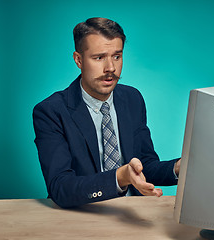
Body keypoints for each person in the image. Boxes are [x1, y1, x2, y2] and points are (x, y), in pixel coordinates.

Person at [33, 17, 181, 208]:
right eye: (99, 57)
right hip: (81, 216)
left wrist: (178, 168)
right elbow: (60, 187)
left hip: (132, 214)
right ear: (79, 60)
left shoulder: (132, 99)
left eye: (117, 56)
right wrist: (119, 178)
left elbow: (145, 166)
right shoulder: (50, 112)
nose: (110, 68)